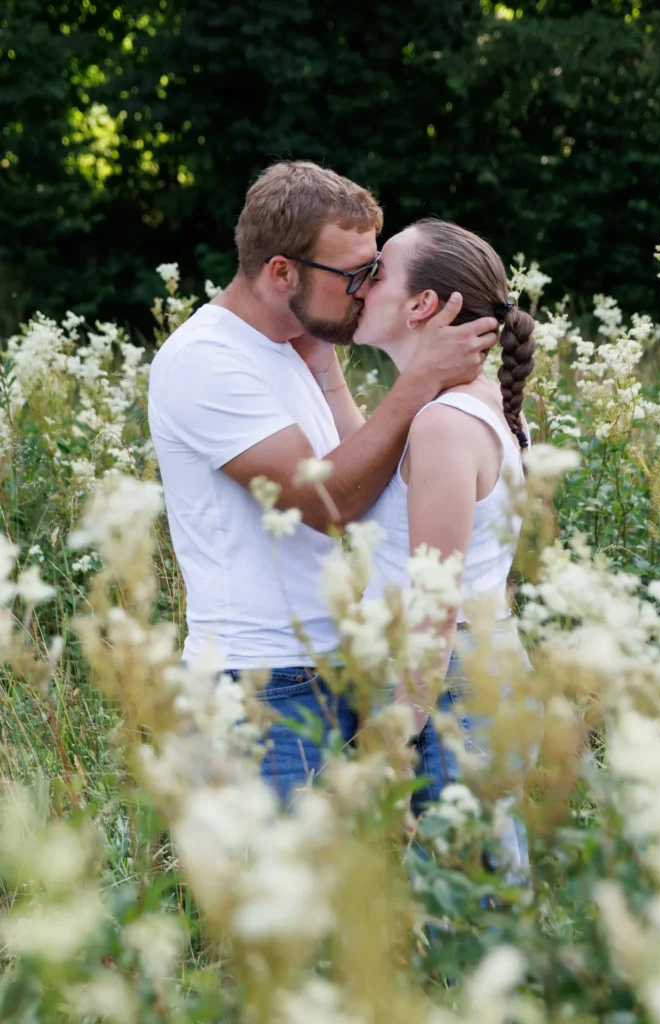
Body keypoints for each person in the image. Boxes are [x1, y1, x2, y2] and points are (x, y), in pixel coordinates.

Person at [148, 162, 499, 800]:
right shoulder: (206, 361)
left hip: (333, 667)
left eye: (374, 271)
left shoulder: (294, 350)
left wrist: (329, 369)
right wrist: (418, 382)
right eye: (353, 275)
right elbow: (327, 503)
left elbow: (372, 487)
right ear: (282, 271)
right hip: (259, 684)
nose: (366, 290)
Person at [352, 218, 536, 858]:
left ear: (421, 305)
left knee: (475, 910)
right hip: (473, 671)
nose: (358, 286)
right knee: (482, 895)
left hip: (445, 689)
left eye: (375, 274)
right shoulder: (474, 403)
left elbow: (438, 593)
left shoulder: (444, 425)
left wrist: (402, 723)